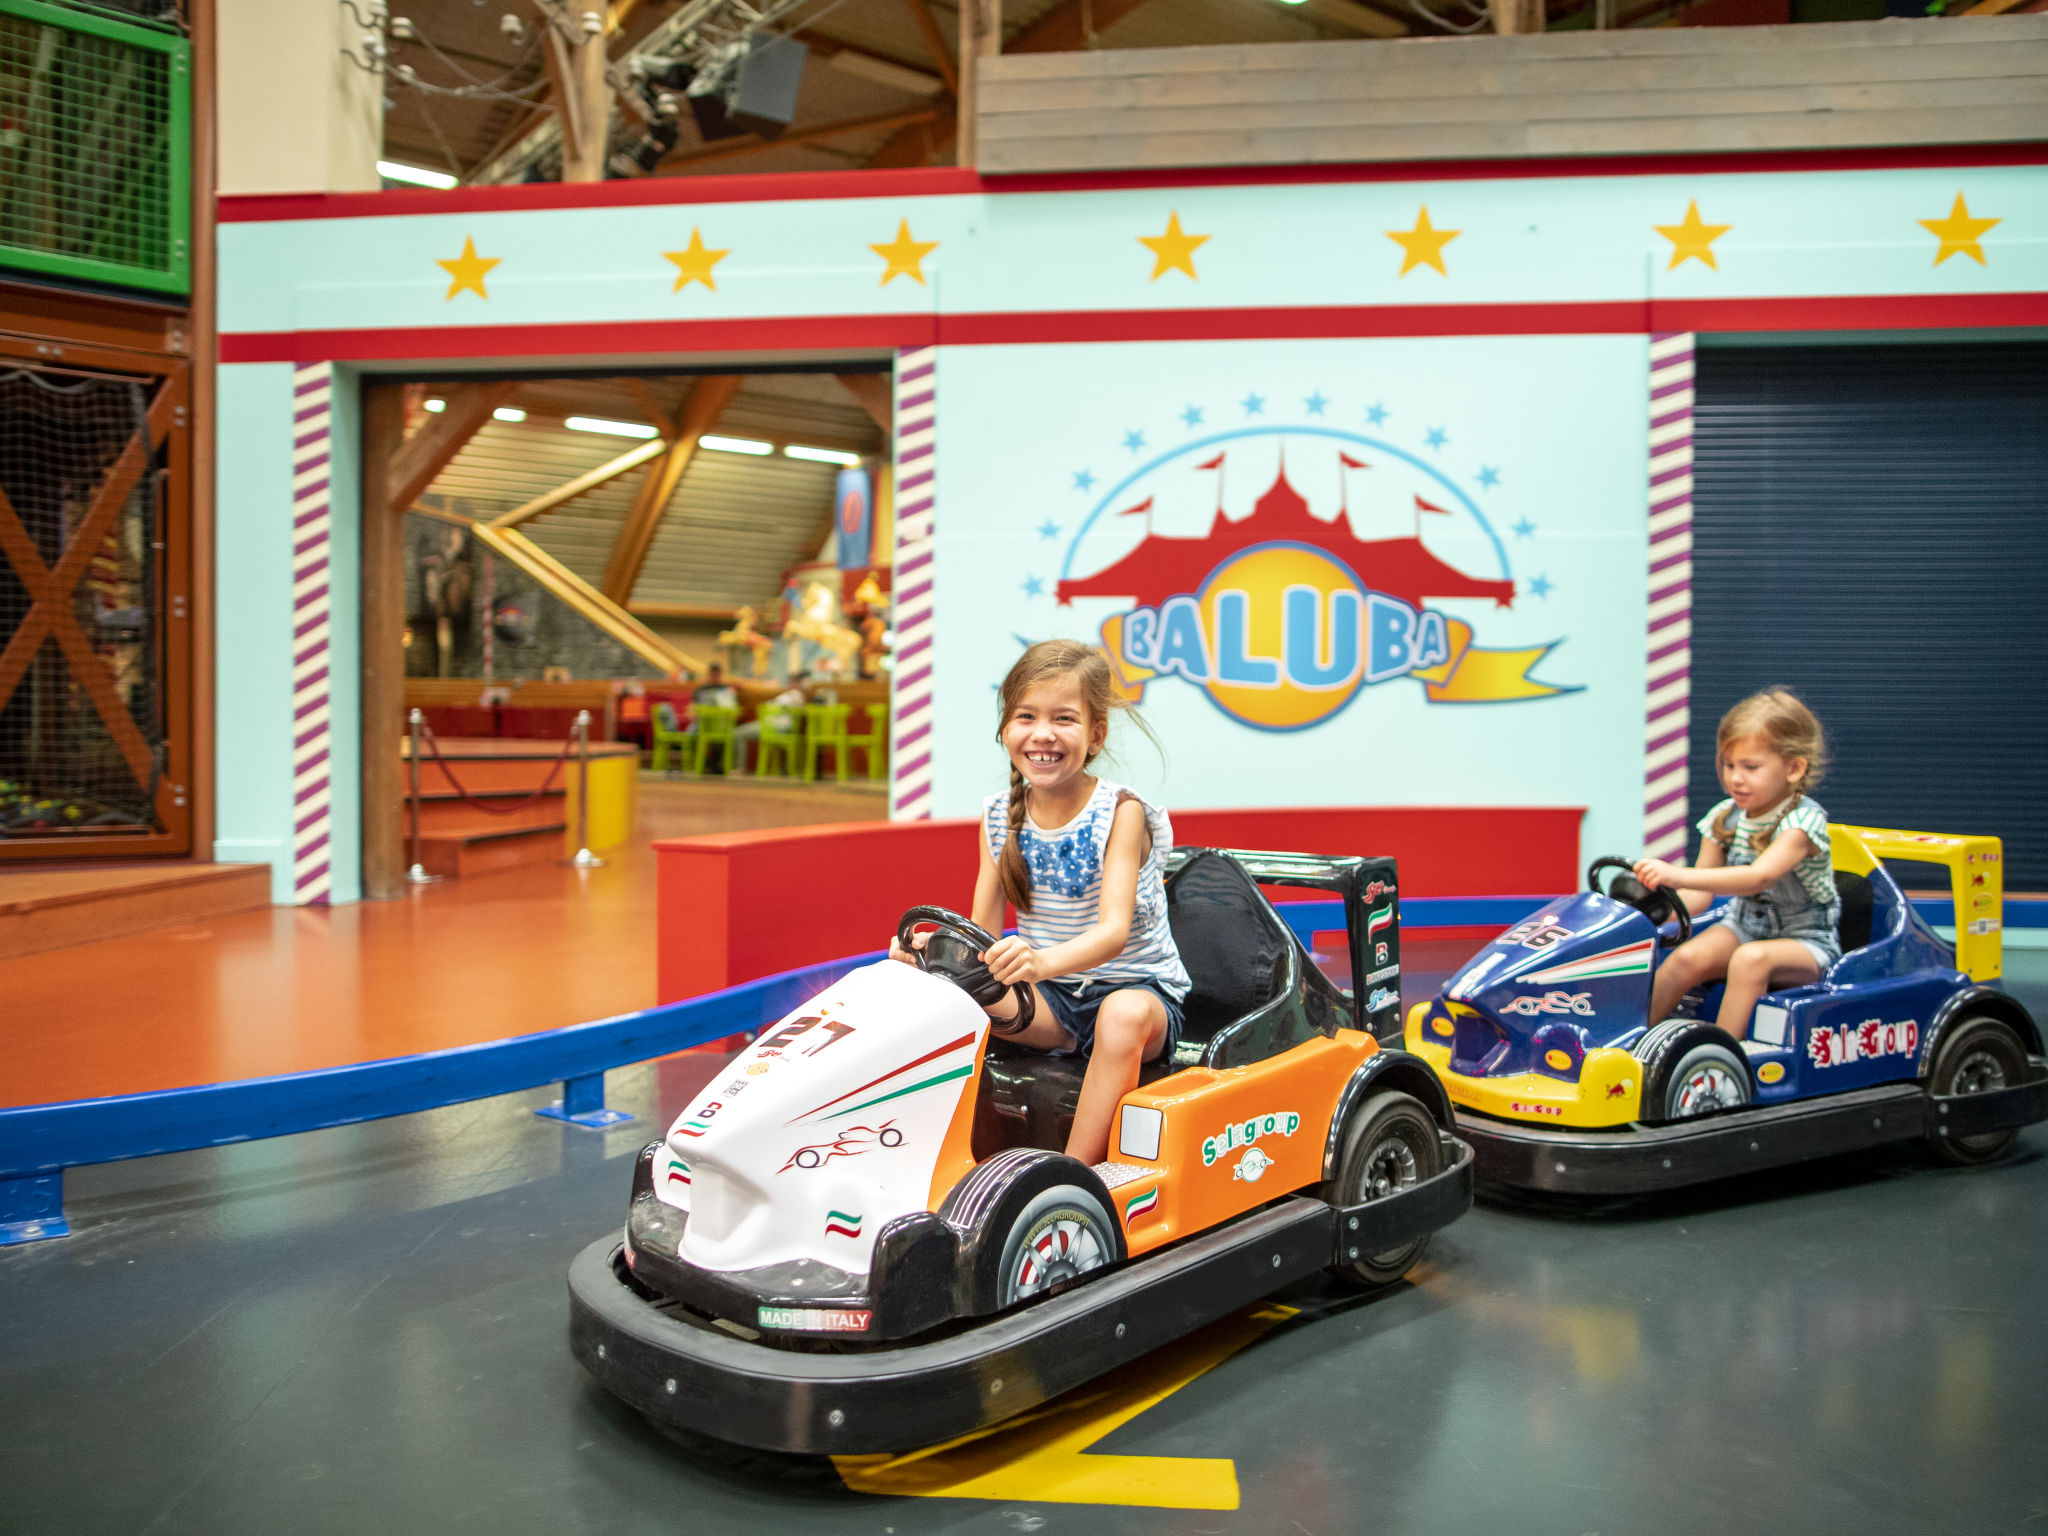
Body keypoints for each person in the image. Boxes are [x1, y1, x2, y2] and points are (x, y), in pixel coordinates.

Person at [889, 638, 1189, 1167]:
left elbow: (1114, 930)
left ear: (1095, 735)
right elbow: (980, 932)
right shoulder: (999, 816)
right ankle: (932, 1155)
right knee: (947, 996)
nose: (1043, 734)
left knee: (1118, 1018)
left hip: (1136, 994)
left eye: (1064, 719)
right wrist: (932, 957)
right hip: (1050, 1001)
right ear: (1006, 729)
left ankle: (1077, 1179)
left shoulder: (1122, 812)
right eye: (1026, 716)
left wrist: (1040, 961)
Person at [1634, 688, 1839, 1039]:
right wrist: (1650, 911)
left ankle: (1723, 1056)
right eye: (1728, 765)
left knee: (1749, 960)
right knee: (1684, 958)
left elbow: (1759, 877)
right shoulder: (1724, 818)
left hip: (1807, 941)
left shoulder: (1802, 824)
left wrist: (1676, 872)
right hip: (1743, 928)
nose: (1735, 777)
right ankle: (1632, 1044)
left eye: (1750, 767)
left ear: (1793, 768)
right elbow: (1700, 894)